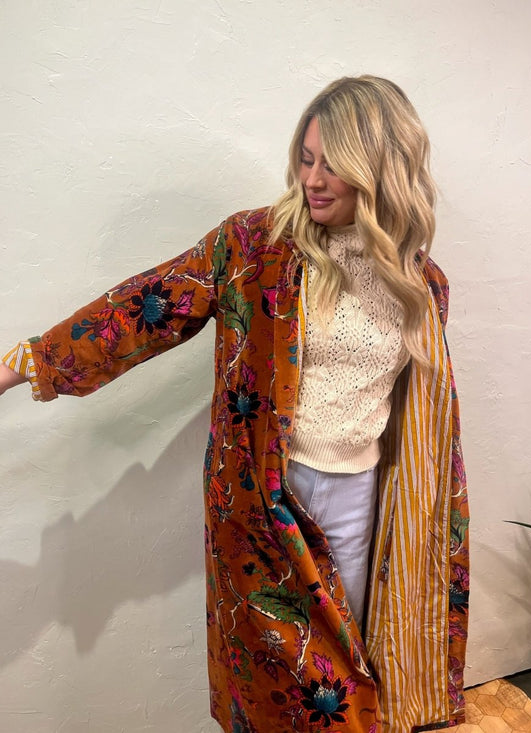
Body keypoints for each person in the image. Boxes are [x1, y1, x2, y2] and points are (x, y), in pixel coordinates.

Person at [0, 75, 469, 733]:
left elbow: (423, 416)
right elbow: (146, 306)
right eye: (305, 158)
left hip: (362, 500)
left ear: (381, 167)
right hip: (262, 502)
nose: (312, 179)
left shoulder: (421, 283)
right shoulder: (254, 247)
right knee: (278, 683)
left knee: (348, 669)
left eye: (332, 164)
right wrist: (23, 365)